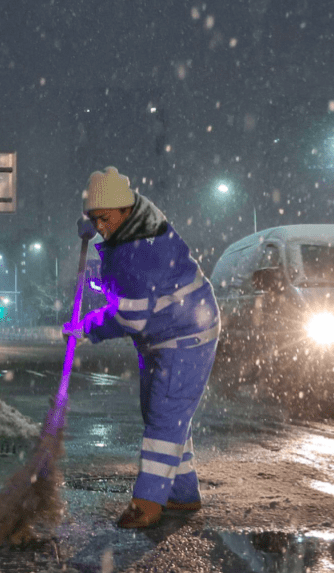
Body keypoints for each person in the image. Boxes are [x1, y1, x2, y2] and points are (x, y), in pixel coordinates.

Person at [64, 166, 220, 529]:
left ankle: (148, 503)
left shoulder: (138, 250)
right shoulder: (132, 232)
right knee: (160, 414)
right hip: (162, 333)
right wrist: (102, 274)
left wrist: (87, 327)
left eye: (103, 218)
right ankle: (182, 494)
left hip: (185, 336)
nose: (100, 226)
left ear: (123, 210)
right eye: (93, 219)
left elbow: (130, 316)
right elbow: (131, 287)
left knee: (165, 415)